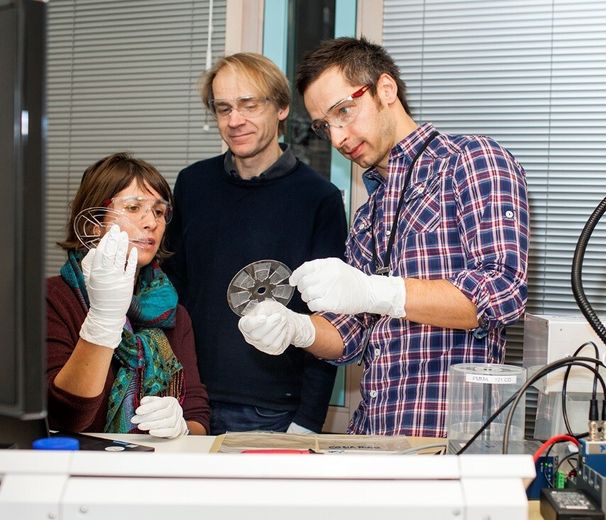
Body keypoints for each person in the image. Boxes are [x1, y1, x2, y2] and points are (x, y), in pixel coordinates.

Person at [238, 37, 529, 438]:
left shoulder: (471, 160)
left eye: (344, 111)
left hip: (451, 441)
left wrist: (378, 291)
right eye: (325, 126)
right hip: (375, 437)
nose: (337, 137)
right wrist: (296, 329)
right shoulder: (367, 217)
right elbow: (350, 334)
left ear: (385, 90)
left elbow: (502, 292)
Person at [164, 52, 347, 435]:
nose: (234, 121)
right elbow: (172, 290)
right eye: (223, 108)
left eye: (249, 105)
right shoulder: (192, 185)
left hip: (273, 412)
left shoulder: (319, 199)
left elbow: (332, 318)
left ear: (281, 108)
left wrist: (308, 420)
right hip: (187, 400)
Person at [47, 153, 209, 437]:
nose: (151, 222)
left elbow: (198, 417)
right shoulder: (52, 300)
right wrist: (103, 320)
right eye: (134, 207)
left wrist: (181, 429)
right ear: (93, 224)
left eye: (159, 211)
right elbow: (62, 417)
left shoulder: (173, 313)